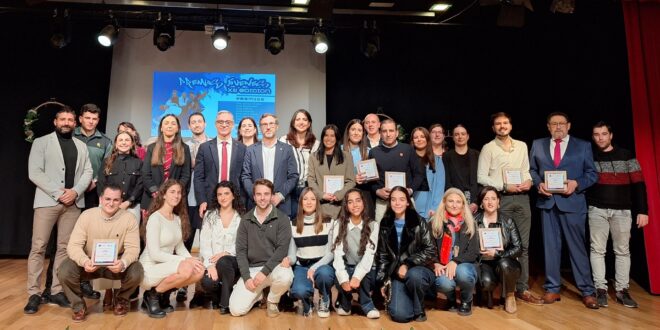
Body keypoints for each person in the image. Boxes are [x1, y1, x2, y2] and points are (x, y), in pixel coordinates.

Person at [25, 106, 93, 314]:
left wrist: (74, 192)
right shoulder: (41, 142)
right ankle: (34, 293)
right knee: (39, 247)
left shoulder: (81, 146)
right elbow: (35, 172)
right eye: (62, 119)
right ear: (55, 122)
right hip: (47, 202)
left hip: (73, 205)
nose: (66, 122)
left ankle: (56, 290)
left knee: (65, 249)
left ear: (75, 123)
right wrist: (58, 193)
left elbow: (88, 172)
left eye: (70, 120)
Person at [529, 112, 599, 309]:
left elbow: (592, 174)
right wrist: (538, 184)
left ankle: (587, 291)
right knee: (550, 248)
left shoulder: (583, 146)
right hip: (548, 203)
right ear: (548, 127)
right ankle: (552, 288)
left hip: (573, 204)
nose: (558, 127)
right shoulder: (538, 144)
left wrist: (577, 183)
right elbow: (532, 170)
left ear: (569, 126)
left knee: (577, 248)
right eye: (554, 124)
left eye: (561, 124)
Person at [477, 112, 542, 305]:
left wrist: (529, 181)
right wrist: (504, 186)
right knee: (499, 245)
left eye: (505, 123)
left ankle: (521, 289)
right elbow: (482, 177)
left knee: (523, 247)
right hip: (502, 199)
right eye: (498, 124)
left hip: (522, 199)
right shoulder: (488, 148)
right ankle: (504, 289)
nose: (502, 126)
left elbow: (525, 170)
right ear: (493, 128)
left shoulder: (521, 146)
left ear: (511, 126)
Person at [57, 185, 143, 322]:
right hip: (89, 262)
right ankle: (78, 306)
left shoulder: (129, 219)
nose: (111, 203)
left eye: (116, 200)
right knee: (64, 270)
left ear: (121, 201)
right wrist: (84, 261)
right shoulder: (87, 216)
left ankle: (121, 300)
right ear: (101, 199)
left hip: (116, 263)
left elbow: (133, 248)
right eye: (107, 199)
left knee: (137, 270)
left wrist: (123, 263)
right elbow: (73, 246)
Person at [588, 121, 649, 308]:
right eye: (597, 134)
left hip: (623, 210)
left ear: (611, 135)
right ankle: (601, 290)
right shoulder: (589, 156)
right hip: (597, 209)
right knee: (597, 250)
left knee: (622, 251)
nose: (600, 138)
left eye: (604, 134)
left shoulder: (626, 155)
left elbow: (639, 185)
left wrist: (643, 211)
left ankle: (622, 290)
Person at [139, 180, 204, 318]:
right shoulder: (155, 218)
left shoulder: (177, 219)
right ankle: (152, 296)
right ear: (163, 195)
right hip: (150, 267)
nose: (176, 195)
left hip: (167, 265)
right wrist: (185, 260)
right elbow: (155, 254)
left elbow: (180, 248)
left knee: (199, 271)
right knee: (186, 268)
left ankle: (163, 294)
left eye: (179, 192)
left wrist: (193, 260)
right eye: (172, 192)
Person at [229, 179, 294, 317]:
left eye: (266, 194)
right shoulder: (245, 220)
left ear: (272, 196)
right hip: (252, 270)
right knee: (235, 310)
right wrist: (246, 277)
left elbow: (281, 250)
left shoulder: (282, 219)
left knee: (286, 276)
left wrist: (264, 272)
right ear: (254, 197)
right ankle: (258, 295)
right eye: (259, 194)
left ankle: (272, 300)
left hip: (274, 268)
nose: (262, 198)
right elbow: (240, 251)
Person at [96, 130, 144, 307]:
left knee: (127, 248)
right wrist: (110, 204)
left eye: (127, 140)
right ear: (116, 144)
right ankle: (108, 290)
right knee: (108, 248)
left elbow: (140, 185)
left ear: (132, 144)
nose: (124, 142)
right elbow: (101, 184)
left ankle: (123, 292)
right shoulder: (108, 161)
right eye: (120, 140)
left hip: (130, 208)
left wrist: (128, 202)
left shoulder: (138, 163)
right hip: (108, 207)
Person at [376, 186, 435, 322]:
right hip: (397, 274)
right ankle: (408, 297)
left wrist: (408, 264)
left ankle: (419, 307)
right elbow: (383, 255)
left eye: (402, 199)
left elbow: (430, 250)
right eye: (393, 199)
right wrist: (383, 280)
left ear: (408, 202)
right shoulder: (385, 223)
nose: (397, 203)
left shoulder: (419, 221)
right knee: (400, 315)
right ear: (389, 202)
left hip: (419, 270)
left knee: (414, 276)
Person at [284, 188, 335, 317]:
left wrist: (313, 268)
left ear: (317, 202)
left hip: (322, 265)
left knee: (324, 275)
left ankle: (324, 297)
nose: (309, 202)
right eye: (305, 199)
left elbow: (331, 253)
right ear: (300, 202)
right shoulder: (293, 224)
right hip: (302, 266)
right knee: (298, 291)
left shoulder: (328, 222)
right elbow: (293, 254)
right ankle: (308, 301)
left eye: (313, 199)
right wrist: (288, 260)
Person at [431, 188, 480, 316]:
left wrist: (455, 261)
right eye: (451, 201)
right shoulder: (435, 223)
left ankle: (466, 300)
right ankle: (451, 299)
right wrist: (436, 263)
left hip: (465, 264)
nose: (454, 205)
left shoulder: (470, 223)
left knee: (463, 272)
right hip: (442, 263)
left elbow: (473, 252)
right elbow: (429, 248)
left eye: (458, 202)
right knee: (444, 283)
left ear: (463, 205)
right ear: (444, 202)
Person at [332, 189, 379, 318]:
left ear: (363, 203)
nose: (355, 205)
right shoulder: (338, 224)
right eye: (350, 202)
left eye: (358, 201)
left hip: (367, 270)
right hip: (348, 266)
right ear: (346, 206)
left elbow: (369, 255)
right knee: (339, 273)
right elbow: (337, 254)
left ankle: (367, 305)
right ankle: (346, 304)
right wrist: (343, 278)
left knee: (364, 273)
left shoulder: (373, 225)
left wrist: (357, 276)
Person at [475, 186, 522, 313]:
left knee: (504, 263)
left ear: (498, 202)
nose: (490, 202)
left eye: (493, 199)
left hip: (505, 262)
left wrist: (498, 253)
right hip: (484, 261)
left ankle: (510, 295)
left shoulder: (508, 220)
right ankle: (486, 291)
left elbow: (518, 248)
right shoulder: (474, 220)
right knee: (486, 282)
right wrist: (478, 251)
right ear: (481, 203)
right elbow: (467, 246)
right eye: (486, 199)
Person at [199, 181, 243, 314]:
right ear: (216, 197)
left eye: (226, 193)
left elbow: (242, 245)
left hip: (234, 262)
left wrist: (226, 253)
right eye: (219, 194)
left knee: (225, 261)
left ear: (233, 196)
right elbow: (204, 243)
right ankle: (219, 295)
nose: (223, 197)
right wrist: (210, 265)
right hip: (213, 262)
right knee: (207, 282)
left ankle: (225, 303)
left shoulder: (241, 217)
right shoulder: (210, 216)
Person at [241, 113, 299, 216]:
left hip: (281, 205)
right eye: (264, 124)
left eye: (271, 124)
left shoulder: (287, 149)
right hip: (255, 207)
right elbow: (245, 176)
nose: (268, 127)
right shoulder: (250, 150)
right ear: (260, 128)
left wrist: (280, 195)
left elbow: (293, 176)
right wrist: (256, 196)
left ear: (277, 126)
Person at [368, 119, 425, 222]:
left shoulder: (408, 149)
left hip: (406, 201)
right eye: (384, 131)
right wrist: (377, 191)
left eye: (391, 130)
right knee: (381, 235)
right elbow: (370, 180)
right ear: (380, 133)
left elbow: (419, 174)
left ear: (397, 133)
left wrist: (410, 190)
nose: (388, 134)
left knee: (411, 234)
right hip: (383, 203)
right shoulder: (373, 152)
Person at [181, 112, 211, 304]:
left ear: (205, 123)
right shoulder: (184, 147)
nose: (197, 124)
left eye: (199, 121)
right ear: (189, 126)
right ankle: (183, 285)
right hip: (188, 200)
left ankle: (204, 287)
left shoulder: (211, 145)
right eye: (193, 122)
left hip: (207, 200)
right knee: (185, 242)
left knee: (207, 245)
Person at [194, 111, 246, 218]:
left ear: (232, 125)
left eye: (228, 122)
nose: (224, 125)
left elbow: (244, 177)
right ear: (215, 124)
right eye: (220, 122)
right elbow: (198, 177)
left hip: (235, 201)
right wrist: (202, 200)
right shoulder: (205, 148)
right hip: (210, 200)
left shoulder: (242, 148)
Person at [141, 114, 192, 213]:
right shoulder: (152, 148)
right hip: (152, 198)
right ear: (161, 128)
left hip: (174, 200)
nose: (169, 126)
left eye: (173, 124)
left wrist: (174, 193)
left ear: (177, 128)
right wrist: (156, 192)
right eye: (166, 123)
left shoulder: (184, 148)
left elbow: (185, 175)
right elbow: (145, 174)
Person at [307, 124, 356, 219]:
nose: (329, 138)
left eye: (332, 135)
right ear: (322, 137)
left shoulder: (347, 156)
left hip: (341, 205)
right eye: (326, 135)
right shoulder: (314, 157)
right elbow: (311, 179)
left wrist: (339, 195)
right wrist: (322, 195)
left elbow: (351, 181)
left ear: (337, 138)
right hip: (321, 205)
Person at [279, 109, 320, 219]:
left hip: (308, 188)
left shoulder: (316, 143)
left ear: (309, 123)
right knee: (290, 219)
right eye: (298, 119)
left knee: (307, 221)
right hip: (289, 188)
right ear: (293, 122)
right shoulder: (284, 140)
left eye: (304, 119)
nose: (301, 122)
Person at [73, 103, 113, 210]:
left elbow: (107, 166)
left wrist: (95, 182)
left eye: (94, 119)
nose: (91, 121)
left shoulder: (106, 141)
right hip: (69, 187)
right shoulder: (70, 136)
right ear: (81, 119)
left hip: (91, 189)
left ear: (98, 120)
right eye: (87, 118)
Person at [444, 125, 480, 213]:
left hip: (474, 201)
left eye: (463, 134)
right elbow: (447, 181)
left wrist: (476, 202)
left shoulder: (477, 155)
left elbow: (480, 181)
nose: (460, 137)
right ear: (453, 137)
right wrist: (455, 201)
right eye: (456, 134)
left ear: (468, 136)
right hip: (455, 202)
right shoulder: (447, 156)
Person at [411, 127, 444, 220]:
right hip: (412, 200)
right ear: (412, 141)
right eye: (416, 137)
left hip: (430, 202)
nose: (419, 139)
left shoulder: (436, 160)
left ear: (427, 139)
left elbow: (440, 186)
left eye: (422, 136)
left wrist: (435, 207)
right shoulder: (407, 159)